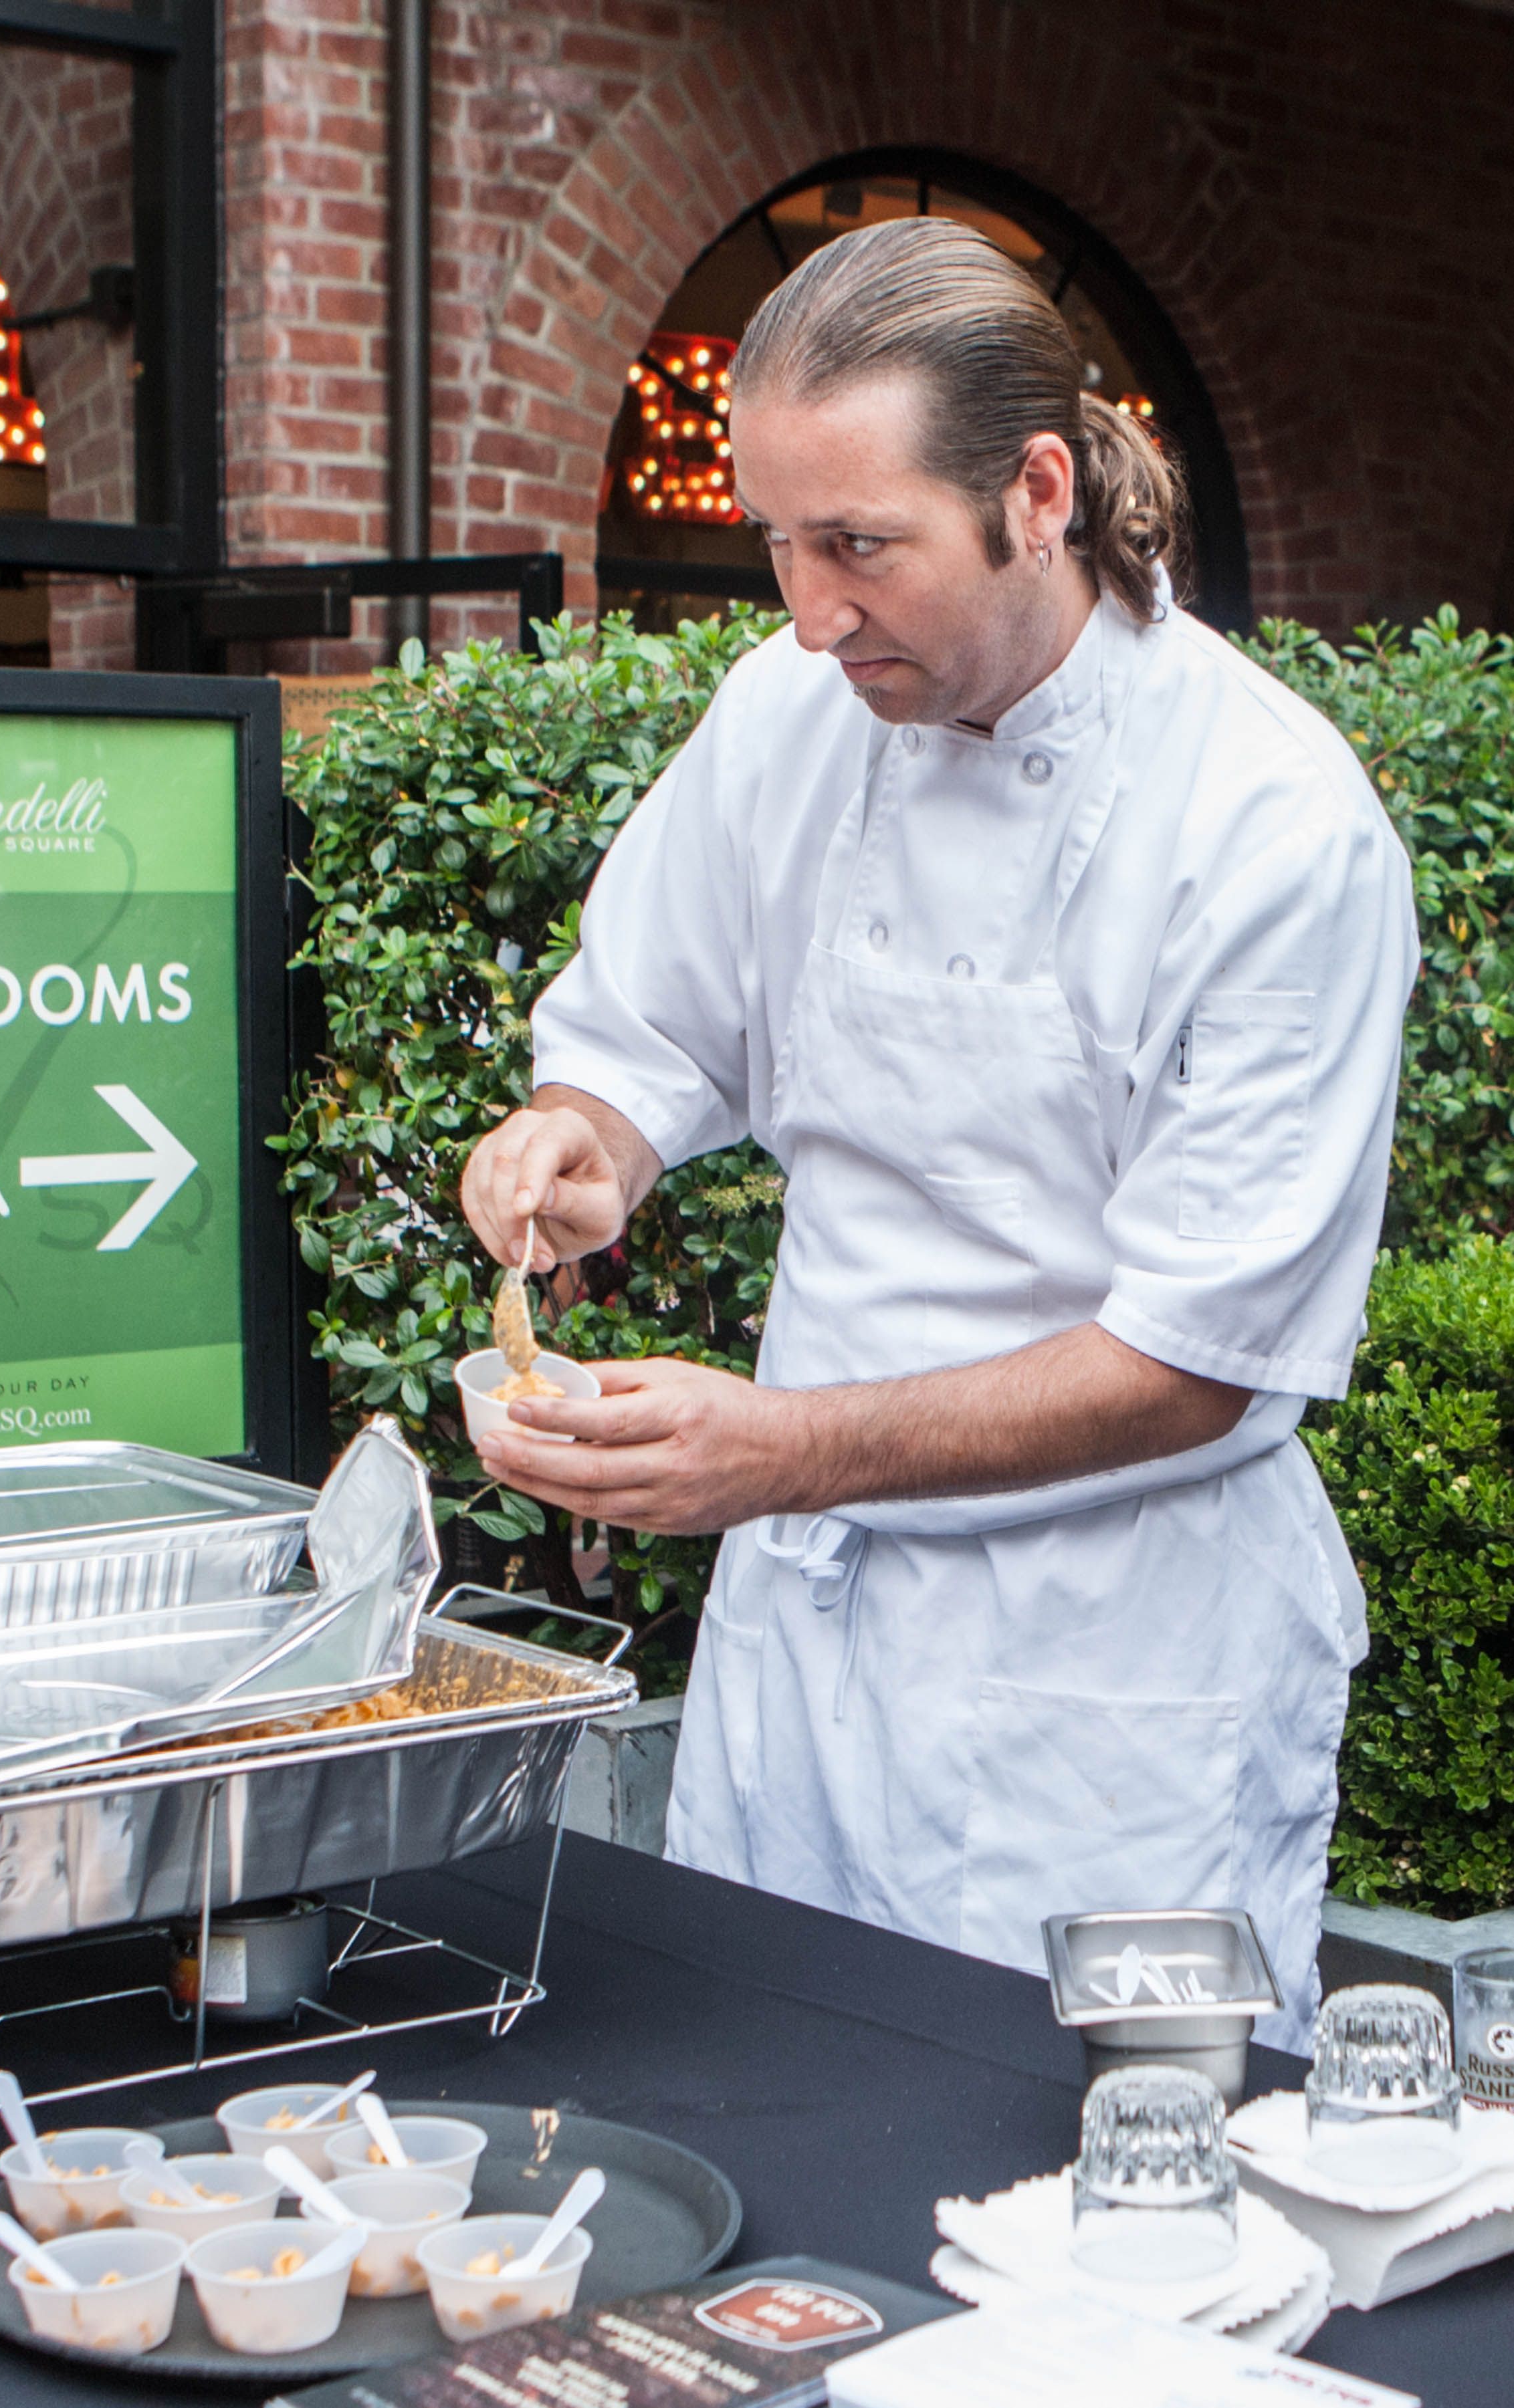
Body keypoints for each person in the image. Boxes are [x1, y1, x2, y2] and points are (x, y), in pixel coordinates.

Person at [459, 217, 1418, 2050]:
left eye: (859, 545)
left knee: (1098, 2169)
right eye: (775, 542)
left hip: (1116, 1666)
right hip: (808, 1645)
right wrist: (584, 1135)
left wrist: (781, 1450)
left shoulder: (1271, 825)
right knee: (762, 2102)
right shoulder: (788, 713)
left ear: (1035, 495)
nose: (808, 612)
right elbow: (655, 1025)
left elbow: (1195, 1361)